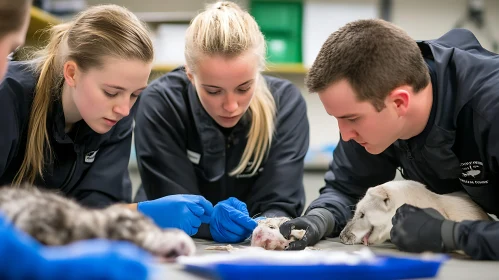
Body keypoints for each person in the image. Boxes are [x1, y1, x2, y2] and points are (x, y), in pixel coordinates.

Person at [279, 18, 499, 260]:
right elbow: (346, 187)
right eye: (337, 119)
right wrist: (318, 219)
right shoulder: (381, 90)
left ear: (399, 102)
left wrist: (452, 234)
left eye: (352, 118)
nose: (345, 135)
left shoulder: (490, 109)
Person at [133, 1, 309, 243]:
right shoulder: (161, 104)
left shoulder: (286, 104)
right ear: (190, 75)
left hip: (254, 248)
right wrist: (209, 224)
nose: (231, 106)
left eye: (243, 88)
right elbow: (176, 208)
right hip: (173, 241)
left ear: (258, 72)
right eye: (213, 91)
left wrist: (263, 226)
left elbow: (281, 202)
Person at [0, 1, 152, 279]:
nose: (124, 109)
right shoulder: (8, 97)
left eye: (135, 94)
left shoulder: (115, 117)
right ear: (71, 73)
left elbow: (98, 211)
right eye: (111, 92)